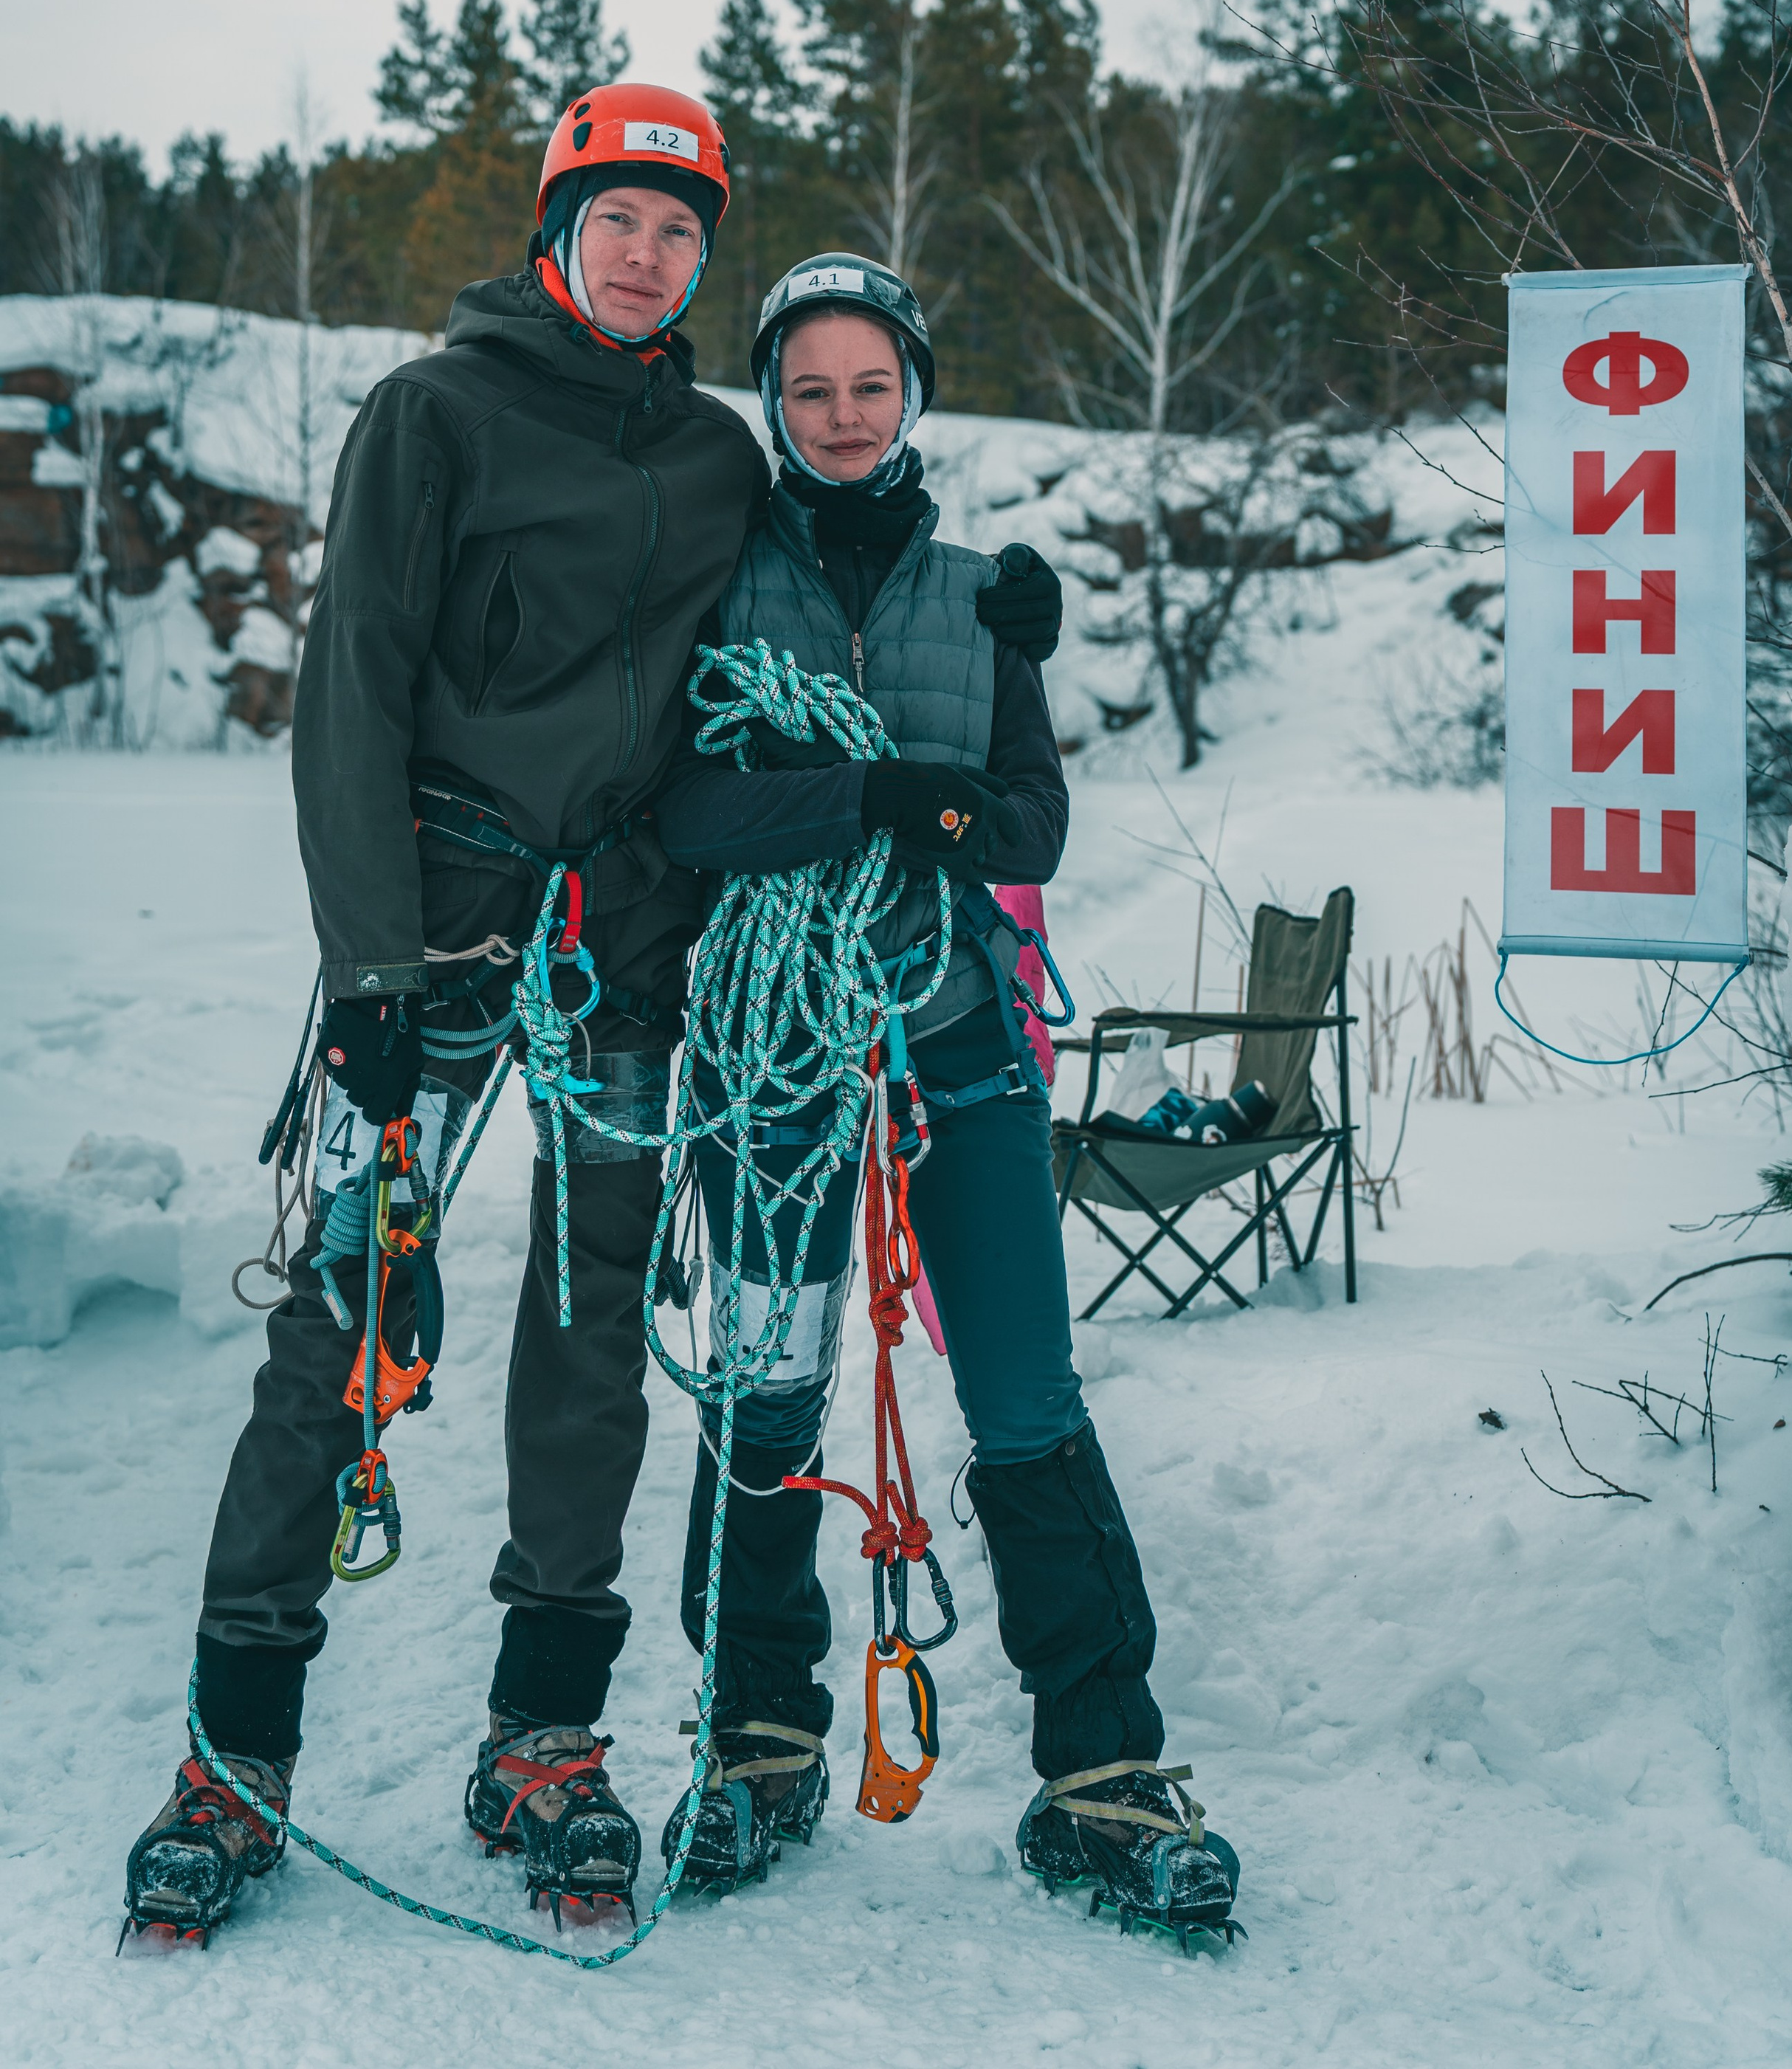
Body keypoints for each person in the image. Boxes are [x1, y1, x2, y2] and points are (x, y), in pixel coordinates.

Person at [120, 94, 1060, 1946]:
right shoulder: (433, 415)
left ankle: (543, 1736)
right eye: (620, 218)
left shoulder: (715, 455)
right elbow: (352, 695)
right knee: (343, 1317)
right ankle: (232, 1758)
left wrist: (988, 593)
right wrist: (373, 973)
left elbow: (824, 545)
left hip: (630, 939)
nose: (649, 256)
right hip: (444, 931)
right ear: (557, 226)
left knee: (593, 1325)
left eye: (681, 232)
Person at [649, 252, 1241, 1946]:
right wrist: (868, 795)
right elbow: (682, 808)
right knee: (763, 1391)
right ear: (774, 400)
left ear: (911, 391)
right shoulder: (718, 576)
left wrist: (947, 810)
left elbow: (1034, 832)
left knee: (1026, 1401)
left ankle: (1103, 1780)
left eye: (871, 386)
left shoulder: (986, 593)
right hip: (774, 1059)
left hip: (958, 1046)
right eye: (811, 389)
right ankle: (755, 1742)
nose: (843, 417)